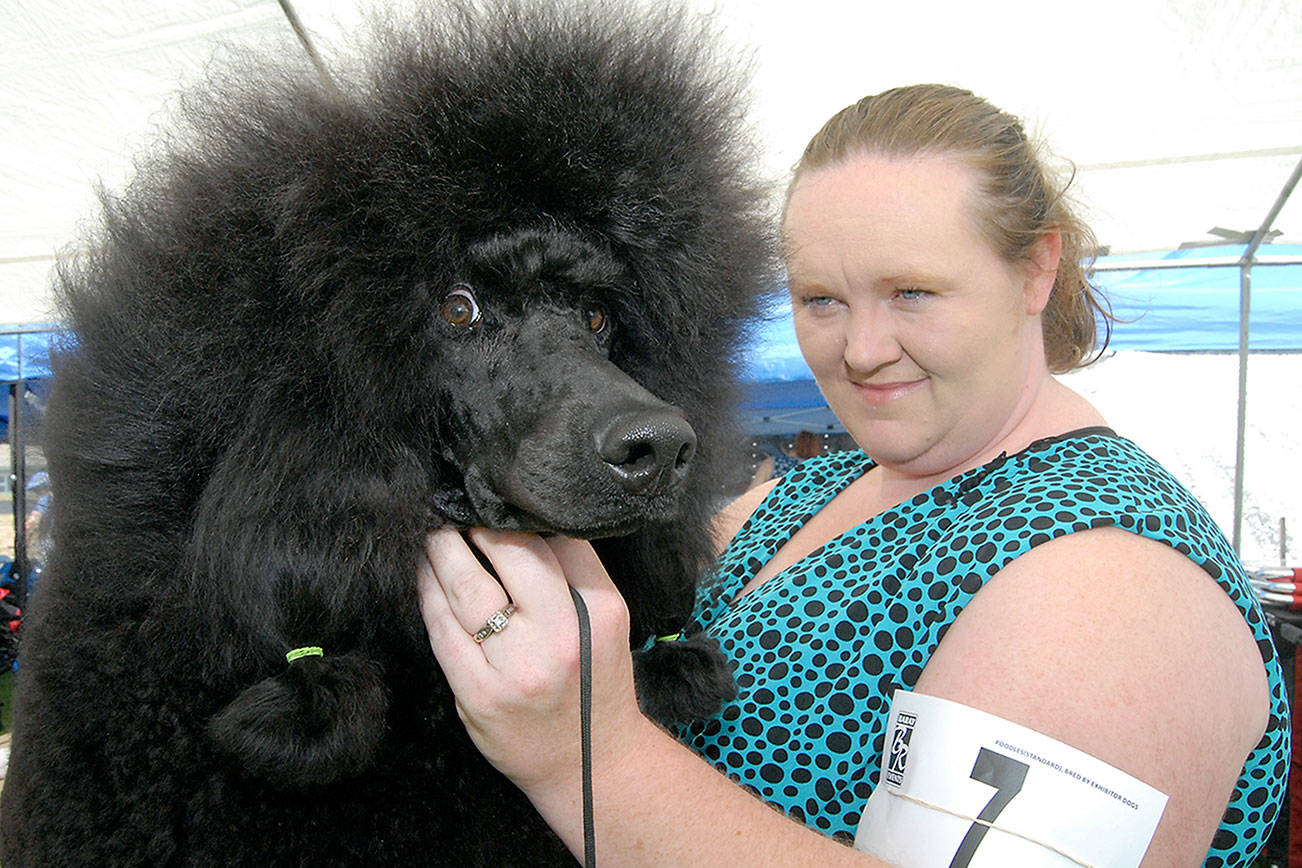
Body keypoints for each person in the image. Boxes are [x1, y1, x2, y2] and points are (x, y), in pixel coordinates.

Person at [417, 84, 1287, 866]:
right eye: (820, 300)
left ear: (1035, 269)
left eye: (912, 292)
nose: (861, 351)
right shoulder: (802, 495)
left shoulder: (1109, 583)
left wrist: (586, 758)